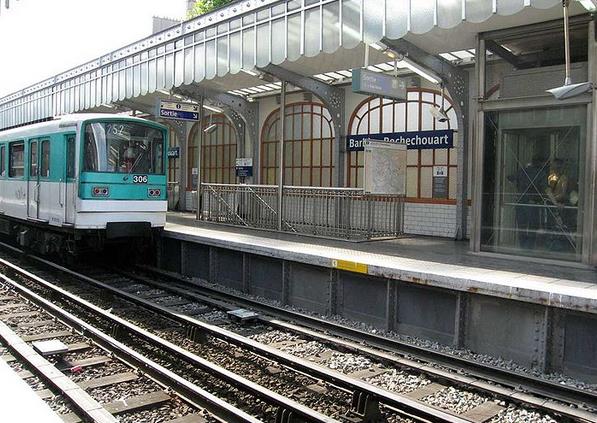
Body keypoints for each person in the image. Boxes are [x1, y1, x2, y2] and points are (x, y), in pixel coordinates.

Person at [507, 155, 547, 250]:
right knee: (533, 226)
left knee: (522, 226)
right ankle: (529, 248)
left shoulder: (523, 171)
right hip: (532, 203)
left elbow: (510, 178)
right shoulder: (541, 173)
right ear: (540, 163)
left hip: (521, 202)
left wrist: (517, 190)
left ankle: (523, 247)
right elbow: (546, 189)